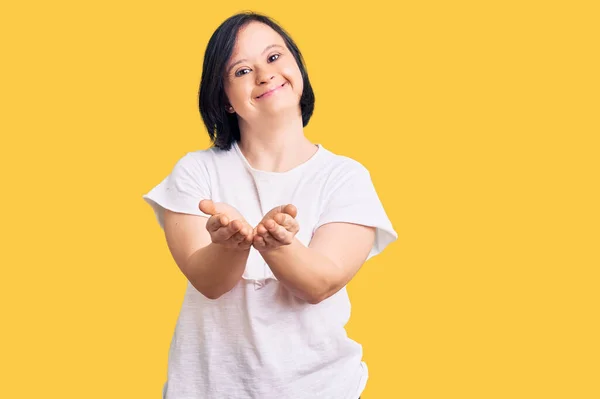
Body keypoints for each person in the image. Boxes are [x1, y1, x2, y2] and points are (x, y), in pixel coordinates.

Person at [143, 11, 397, 399]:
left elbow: (320, 283)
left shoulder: (346, 177)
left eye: (275, 58)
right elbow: (209, 282)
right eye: (242, 71)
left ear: (298, 67)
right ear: (224, 99)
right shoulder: (195, 171)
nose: (264, 75)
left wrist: (277, 244)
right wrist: (229, 246)